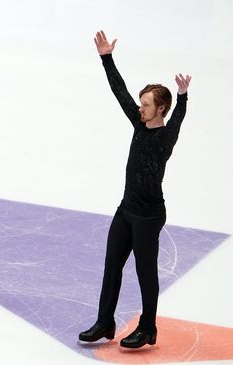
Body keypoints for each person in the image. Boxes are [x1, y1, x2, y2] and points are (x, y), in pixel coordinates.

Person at [78, 30, 191, 348]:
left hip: (149, 216)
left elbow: (179, 119)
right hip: (126, 209)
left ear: (161, 109)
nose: (140, 108)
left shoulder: (164, 137)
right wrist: (106, 58)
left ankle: (148, 328)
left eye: (147, 105)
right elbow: (120, 93)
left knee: (145, 272)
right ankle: (105, 321)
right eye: (141, 104)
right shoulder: (139, 124)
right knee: (112, 263)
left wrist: (182, 98)